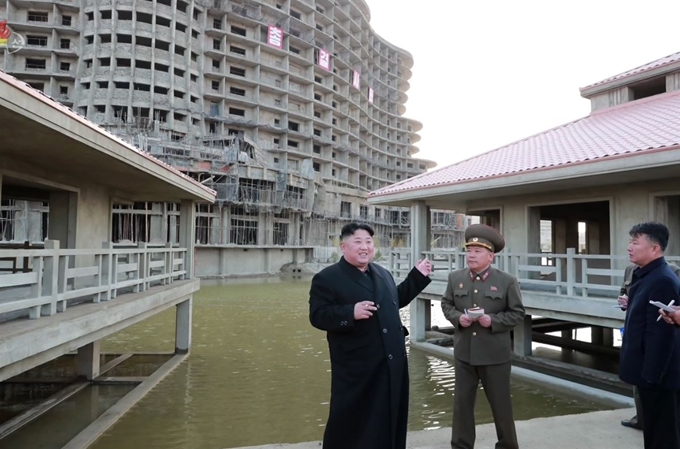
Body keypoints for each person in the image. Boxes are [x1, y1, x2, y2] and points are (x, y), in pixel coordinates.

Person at [309, 222, 432, 449]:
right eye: (358, 242)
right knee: (353, 419)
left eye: (368, 242)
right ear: (343, 246)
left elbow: (393, 301)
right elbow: (317, 316)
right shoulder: (327, 278)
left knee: (389, 416)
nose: (365, 247)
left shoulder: (382, 273)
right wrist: (350, 312)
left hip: (391, 362)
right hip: (357, 366)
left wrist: (417, 277)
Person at [441, 224, 525, 449]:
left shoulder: (507, 281)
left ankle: (507, 446)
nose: (471, 255)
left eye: (478, 251)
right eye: (469, 250)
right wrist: (458, 318)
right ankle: (461, 446)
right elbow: (447, 304)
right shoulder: (455, 277)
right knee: (462, 406)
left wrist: (494, 321)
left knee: (501, 406)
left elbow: (518, 313)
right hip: (464, 353)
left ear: (491, 256)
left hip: (494, 354)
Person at [619, 222, 680, 449]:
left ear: (655, 249)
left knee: (663, 436)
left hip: (657, 377)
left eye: (635, 242)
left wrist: (652, 377)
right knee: (654, 432)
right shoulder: (645, 274)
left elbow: (663, 336)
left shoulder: (663, 279)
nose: (629, 247)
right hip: (647, 373)